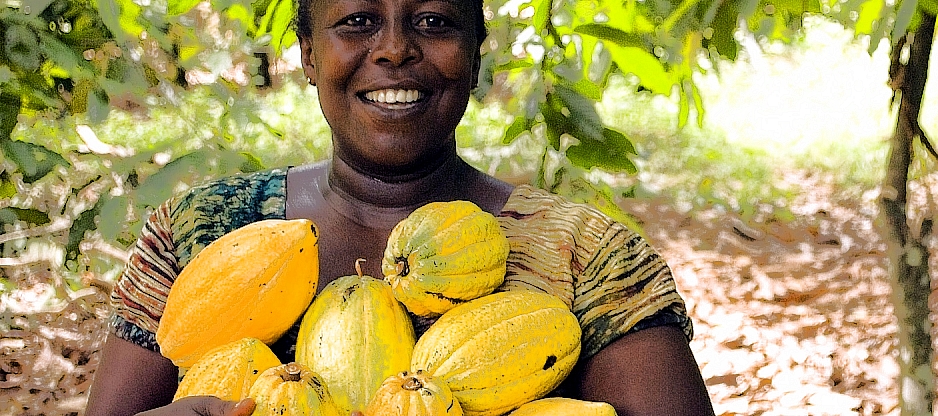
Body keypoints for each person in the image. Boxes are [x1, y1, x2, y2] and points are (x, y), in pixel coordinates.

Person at [83, 0, 717, 414]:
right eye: (358, 19)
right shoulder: (202, 230)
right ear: (307, 52)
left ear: (475, 56)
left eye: (435, 20)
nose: (394, 50)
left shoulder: (589, 257)